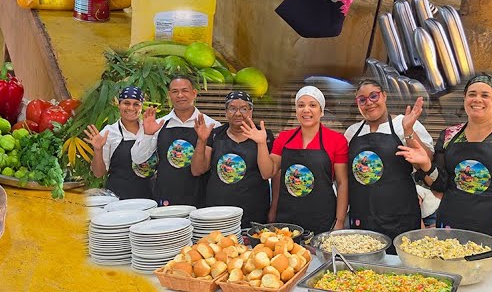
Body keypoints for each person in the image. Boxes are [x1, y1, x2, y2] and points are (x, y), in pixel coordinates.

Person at [401, 73, 492, 288]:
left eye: (485, 95)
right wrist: (427, 166)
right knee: (450, 282)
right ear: (465, 99)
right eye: (472, 94)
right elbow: (440, 185)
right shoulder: (450, 135)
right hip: (452, 229)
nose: (477, 99)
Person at [343, 79, 432, 252]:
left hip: (400, 217)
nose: (369, 102)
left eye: (374, 96)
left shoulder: (403, 123)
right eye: (362, 99)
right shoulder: (352, 132)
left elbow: (426, 162)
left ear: (384, 96)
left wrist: (408, 130)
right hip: (363, 216)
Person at [269, 85, 349, 233]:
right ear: (296, 111)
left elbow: (342, 182)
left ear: (321, 111)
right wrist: (261, 143)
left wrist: (340, 221)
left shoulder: (337, 140)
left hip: (322, 217)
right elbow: (271, 173)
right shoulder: (284, 138)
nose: (306, 110)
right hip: (287, 218)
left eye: (312, 105)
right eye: (301, 105)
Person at [192, 90, 275, 228]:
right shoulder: (215, 135)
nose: (238, 113)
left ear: (251, 111)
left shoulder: (263, 135)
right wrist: (201, 140)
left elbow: (267, 174)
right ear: (226, 112)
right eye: (232, 108)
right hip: (219, 211)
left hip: (254, 210)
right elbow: (197, 170)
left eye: (244, 108)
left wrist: (261, 142)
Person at [134, 75, 219, 207]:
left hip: (201, 197)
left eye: (185, 90)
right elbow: (138, 159)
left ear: (194, 93)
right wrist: (148, 134)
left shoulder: (211, 125)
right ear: (169, 95)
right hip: (166, 196)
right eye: (175, 91)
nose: (180, 95)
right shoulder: (158, 124)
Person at [83, 86, 159, 199]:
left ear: (141, 106)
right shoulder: (109, 132)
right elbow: (98, 173)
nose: (131, 108)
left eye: (136, 104)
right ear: (119, 105)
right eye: (126, 103)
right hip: (118, 197)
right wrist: (98, 150)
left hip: (150, 196)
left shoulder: (152, 129)